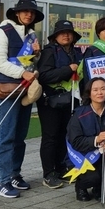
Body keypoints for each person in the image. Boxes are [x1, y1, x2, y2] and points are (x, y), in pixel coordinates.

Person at [0, 0, 43, 198]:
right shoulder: (3, 32)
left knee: (20, 136)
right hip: (8, 91)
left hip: (25, 90)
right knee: (6, 136)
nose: (29, 14)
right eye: (25, 11)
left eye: (32, 12)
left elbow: (27, 63)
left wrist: (36, 55)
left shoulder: (30, 35)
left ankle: (14, 175)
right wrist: (22, 74)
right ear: (17, 13)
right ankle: (2, 182)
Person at [36, 20, 84, 190]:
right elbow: (43, 76)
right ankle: (48, 174)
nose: (66, 35)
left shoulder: (77, 53)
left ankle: (61, 168)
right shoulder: (49, 52)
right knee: (50, 137)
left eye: (69, 32)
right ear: (55, 36)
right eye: (62, 32)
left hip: (70, 101)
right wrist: (68, 69)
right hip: (50, 102)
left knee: (64, 134)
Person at [65, 76, 105, 201]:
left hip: (101, 157)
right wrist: (96, 139)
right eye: (95, 90)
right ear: (89, 93)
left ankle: (98, 188)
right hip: (80, 157)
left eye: (103, 89)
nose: (100, 92)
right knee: (92, 177)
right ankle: (80, 187)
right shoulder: (79, 114)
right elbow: (75, 142)